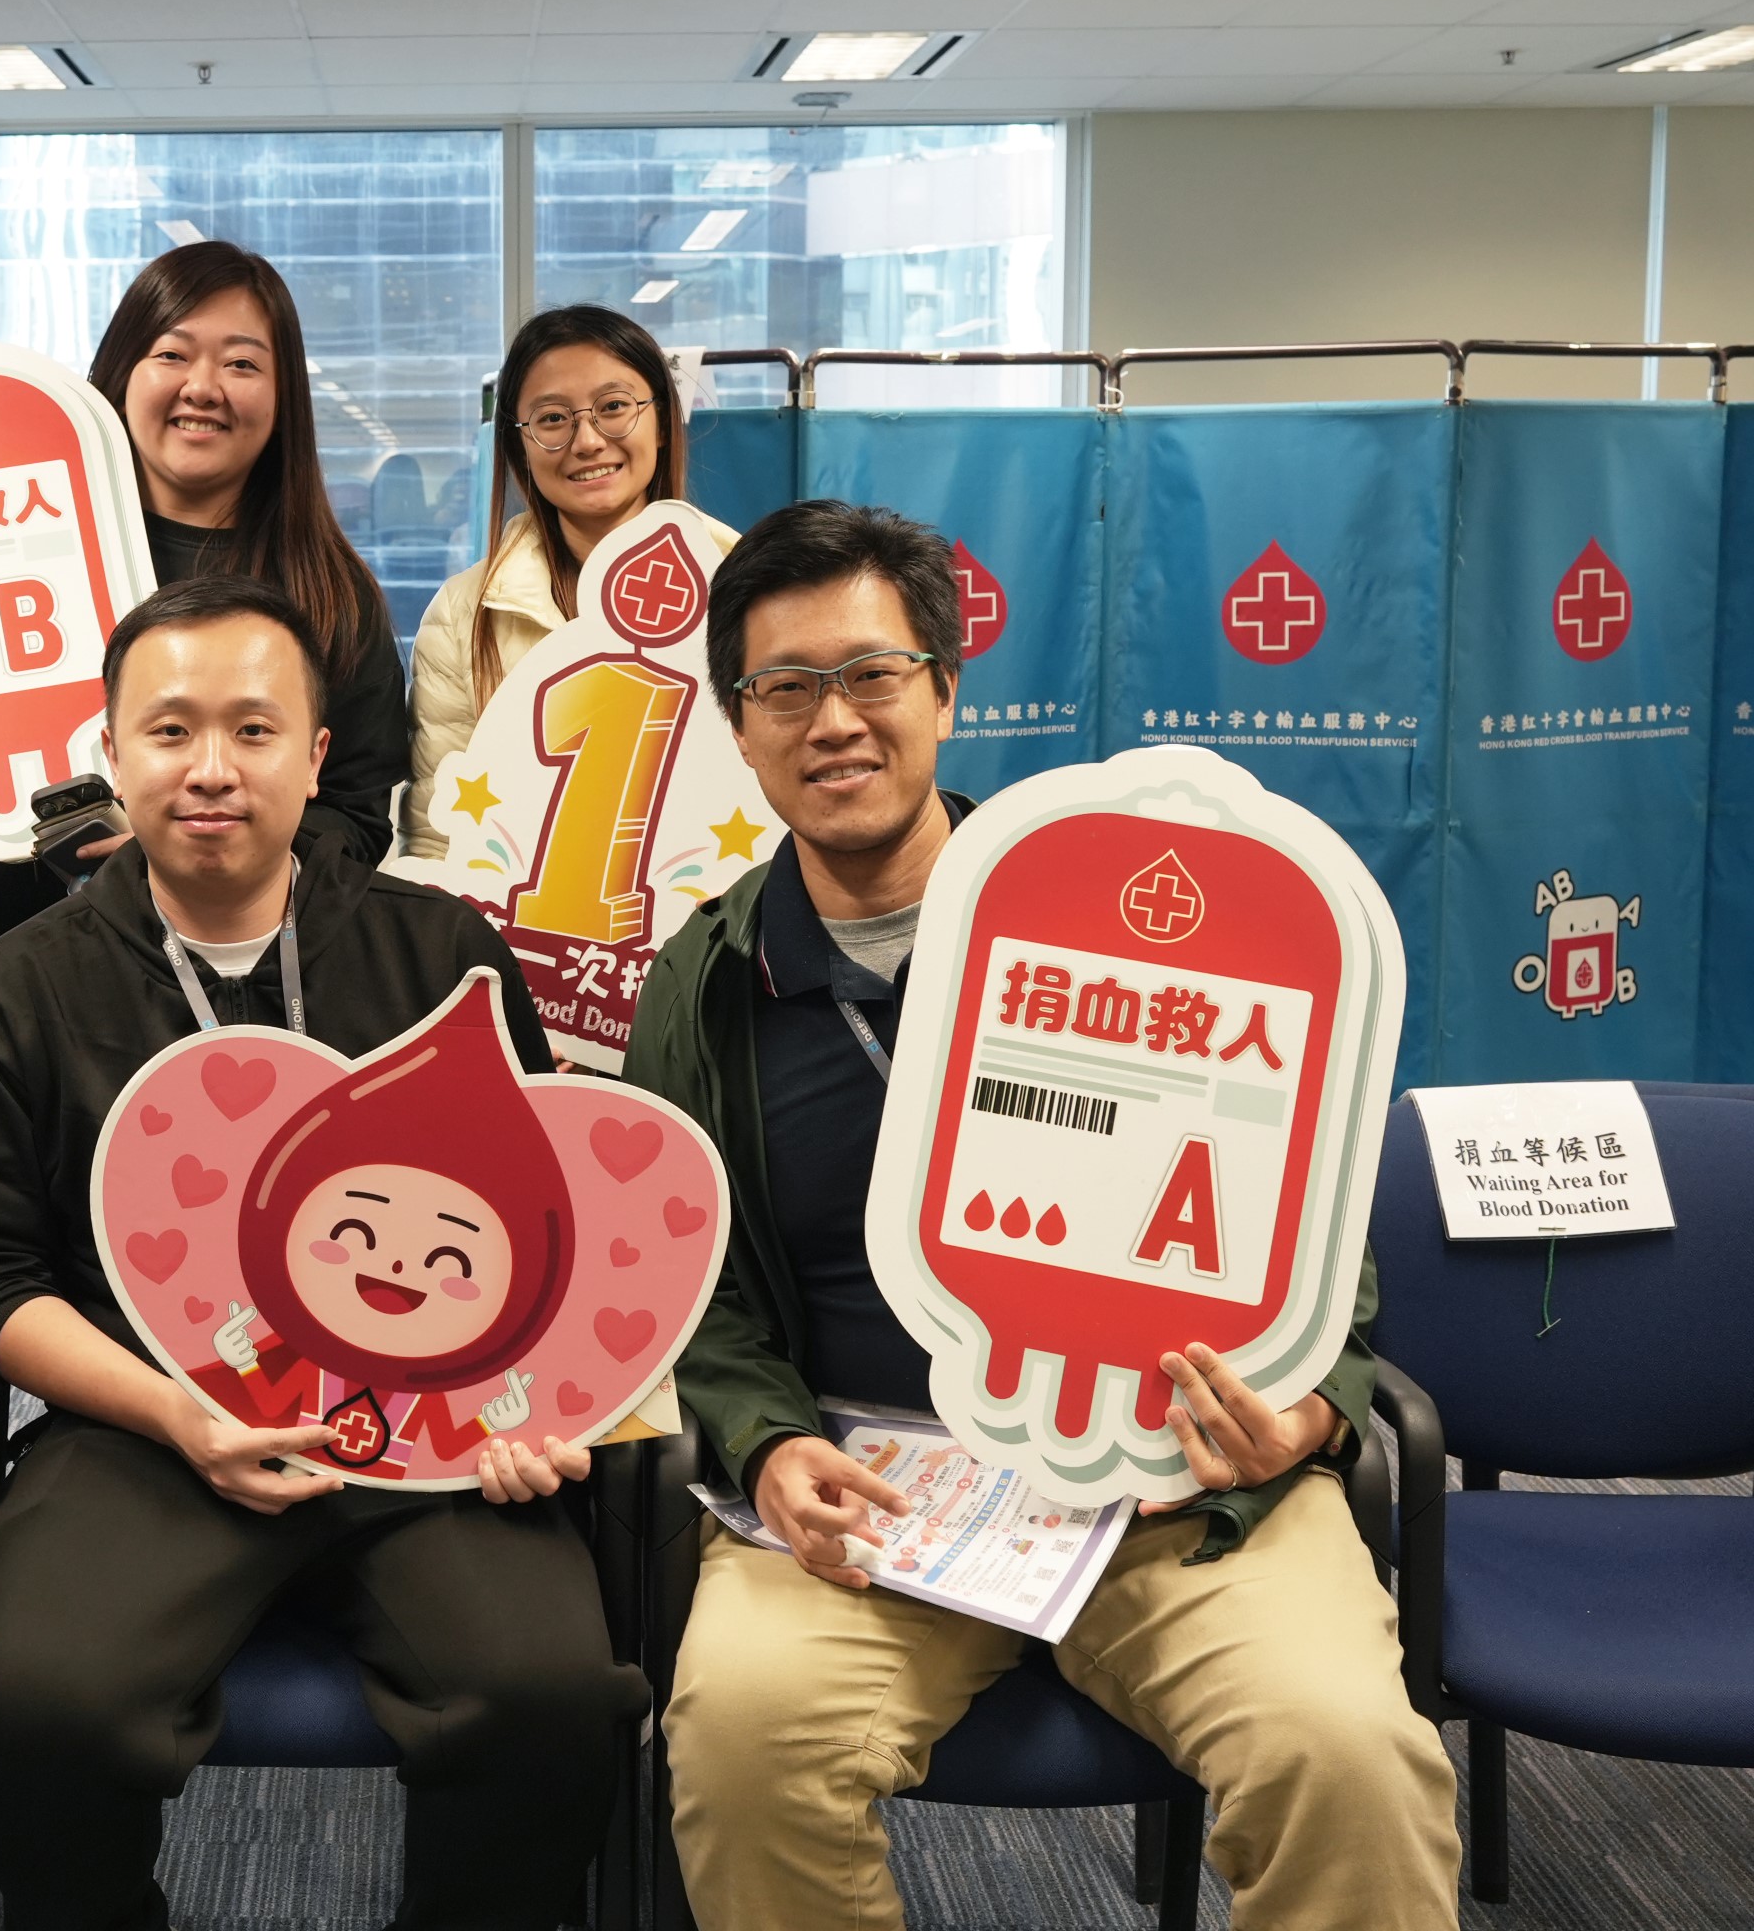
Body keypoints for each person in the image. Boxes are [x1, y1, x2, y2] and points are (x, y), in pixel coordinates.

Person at [620, 501, 1461, 1931]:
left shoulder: (1124, 917)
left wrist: (1309, 1408)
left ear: (947, 690)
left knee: (1349, 1756)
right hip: (872, 1484)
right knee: (745, 1744)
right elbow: (692, 1286)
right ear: (741, 728)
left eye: (873, 674)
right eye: (788, 687)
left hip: (1167, 1478)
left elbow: (1311, 1231)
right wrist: (767, 1445)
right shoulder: (707, 984)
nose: (836, 721)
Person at [0, 576, 645, 1929]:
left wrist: (535, 1413)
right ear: (112, 751)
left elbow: (546, 1241)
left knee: (547, 1694)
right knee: (40, 1706)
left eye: (254, 730)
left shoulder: (441, 955)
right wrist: (178, 1413)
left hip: (429, 1429)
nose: (212, 768)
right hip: (145, 1424)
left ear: (316, 757)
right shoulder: (23, 983)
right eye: (171, 730)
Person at [0, 240, 412, 1021]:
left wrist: (204, 845)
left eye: (243, 364)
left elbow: (354, 819)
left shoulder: (328, 594)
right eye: (171, 353)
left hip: (210, 999)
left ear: (285, 397)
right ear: (120, 372)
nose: (203, 386)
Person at [403, 305, 730, 857]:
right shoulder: (463, 614)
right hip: (516, 910)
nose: (588, 441)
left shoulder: (745, 584)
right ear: (519, 445)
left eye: (614, 407)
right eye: (553, 418)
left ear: (662, 422)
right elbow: (440, 841)